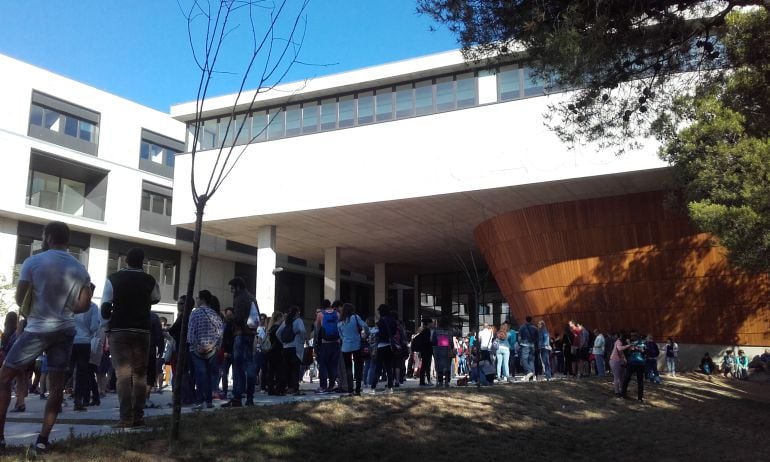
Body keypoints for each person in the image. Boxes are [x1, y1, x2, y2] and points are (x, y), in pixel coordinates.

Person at [1, 221, 93, 453]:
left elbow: (21, 298)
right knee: (56, 386)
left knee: (4, 377)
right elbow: (83, 306)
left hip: (37, 329)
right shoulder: (80, 268)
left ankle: (0, 437)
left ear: (49, 237)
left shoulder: (33, 261)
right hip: (64, 330)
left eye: (43, 234)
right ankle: (42, 440)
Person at [101, 247, 160, 428]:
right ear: (143, 261)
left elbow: (104, 307)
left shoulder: (113, 278)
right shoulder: (150, 280)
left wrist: (105, 328)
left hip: (119, 329)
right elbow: (156, 298)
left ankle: (125, 417)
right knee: (140, 375)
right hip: (142, 330)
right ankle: (139, 416)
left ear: (126, 260)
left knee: (123, 375)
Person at [221, 277, 259, 408]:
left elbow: (238, 318)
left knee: (238, 367)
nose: (231, 291)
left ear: (237, 287)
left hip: (241, 334)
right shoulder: (252, 297)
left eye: (232, 288)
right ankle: (250, 397)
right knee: (250, 365)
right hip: (251, 334)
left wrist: (228, 318)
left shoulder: (239, 298)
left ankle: (237, 398)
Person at [188, 290, 224, 410]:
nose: (196, 300)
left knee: (200, 375)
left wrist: (198, 346)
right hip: (212, 350)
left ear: (202, 299)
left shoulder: (195, 313)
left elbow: (191, 333)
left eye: (197, 298)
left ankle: (199, 401)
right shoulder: (215, 314)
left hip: (197, 349)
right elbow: (220, 333)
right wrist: (213, 345)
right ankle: (209, 401)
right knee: (209, 375)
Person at [72, 296, 100, 411]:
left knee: (67, 370)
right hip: (84, 341)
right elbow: (94, 327)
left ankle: (56, 399)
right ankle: (78, 401)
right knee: (82, 372)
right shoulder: (93, 307)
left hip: (71, 340)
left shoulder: (71, 303)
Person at [337, 303, 369, 396]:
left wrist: (346, 339)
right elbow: (365, 326)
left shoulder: (340, 322)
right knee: (358, 368)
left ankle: (350, 389)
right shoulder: (355, 317)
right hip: (357, 345)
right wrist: (365, 335)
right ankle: (358, 389)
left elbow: (341, 336)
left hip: (345, 347)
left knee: (348, 368)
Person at [277, 305, 306, 396]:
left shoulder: (286, 321)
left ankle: (286, 387)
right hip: (296, 348)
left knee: (287, 369)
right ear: (297, 312)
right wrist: (302, 340)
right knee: (295, 369)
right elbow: (302, 331)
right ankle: (294, 388)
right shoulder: (298, 321)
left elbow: (278, 333)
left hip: (286, 348)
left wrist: (283, 342)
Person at [368, 304, 397, 394]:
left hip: (381, 346)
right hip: (390, 346)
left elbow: (380, 333)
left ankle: (373, 388)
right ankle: (390, 388)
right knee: (389, 368)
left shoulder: (381, 320)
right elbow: (394, 331)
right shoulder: (392, 320)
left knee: (378, 368)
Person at [314, 300, 340, 394]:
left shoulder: (320, 314)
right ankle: (331, 386)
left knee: (323, 365)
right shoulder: (337, 314)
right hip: (336, 342)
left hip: (325, 343)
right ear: (330, 305)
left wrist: (317, 344)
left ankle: (323, 387)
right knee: (333, 365)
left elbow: (317, 330)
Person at [620, 330, 647, 403]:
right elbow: (629, 351)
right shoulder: (631, 343)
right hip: (631, 363)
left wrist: (636, 348)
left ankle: (640, 398)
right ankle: (623, 394)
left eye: (634, 335)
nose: (633, 337)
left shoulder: (642, 343)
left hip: (640, 364)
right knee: (626, 379)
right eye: (631, 335)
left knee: (640, 381)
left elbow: (644, 351)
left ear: (638, 335)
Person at [431, 316, 454, 387]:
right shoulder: (450, 331)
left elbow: (433, 340)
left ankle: (440, 381)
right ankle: (447, 381)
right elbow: (451, 342)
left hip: (438, 349)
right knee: (447, 366)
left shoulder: (436, 330)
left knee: (439, 366)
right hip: (447, 349)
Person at [412, 318, 433, 386]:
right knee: (426, 366)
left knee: (424, 366)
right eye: (431, 323)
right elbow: (427, 342)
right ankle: (425, 381)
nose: (432, 324)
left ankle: (422, 381)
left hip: (423, 351)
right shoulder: (427, 331)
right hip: (427, 351)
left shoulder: (423, 331)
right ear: (429, 323)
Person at [609, 332, 630, 397]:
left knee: (622, 377)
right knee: (617, 377)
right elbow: (619, 348)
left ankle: (622, 391)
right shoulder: (618, 341)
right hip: (614, 361)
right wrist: (628, 345)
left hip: (620, 361)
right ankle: (617, 392)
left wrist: (624, 360)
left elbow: (622, 352)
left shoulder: (623, 342)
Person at [518, 316, 538, 381]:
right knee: (531, 361)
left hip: (524, 345)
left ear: (525, 320)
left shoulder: (522, 327)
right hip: (532, 346)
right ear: (531, 320)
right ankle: (533, 376)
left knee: (524, 360)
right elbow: (537, 338)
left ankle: (529, 372)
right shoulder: (535, 328)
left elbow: (519, 337)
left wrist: (519, 343)